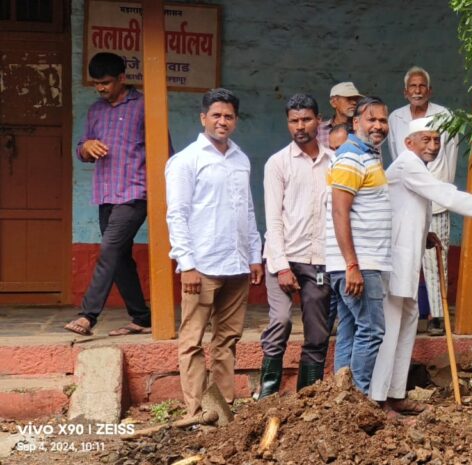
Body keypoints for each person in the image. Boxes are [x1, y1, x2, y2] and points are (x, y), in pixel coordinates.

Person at [371, 117, 472, 417]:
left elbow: (408, 205)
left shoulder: (415, 167)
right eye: (426, 140)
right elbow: (445, 194)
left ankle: (396, 394)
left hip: (408, 255)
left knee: (408, 319)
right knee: (392, 326)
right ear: (409, 143)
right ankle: (379, 399)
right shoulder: (407, 164)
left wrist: (424, 231)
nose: (433, 145)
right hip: (396, 258)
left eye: (437, 140)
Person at [166, 88, 263, 418]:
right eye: (217, 115)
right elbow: (176, 215)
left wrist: (254, 256)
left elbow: (247, 211)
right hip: (202, 266)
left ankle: (223, 410)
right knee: (192, 341)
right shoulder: (185, 161)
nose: (223, 121)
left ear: (235, 120)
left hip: (236, 266)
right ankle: (196, 411)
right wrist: (187, 264)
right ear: (203, 118)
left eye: (229, 116)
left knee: (227, 340)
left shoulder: (241, 159)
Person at [65, 52, 170, 337]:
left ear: (122, 78)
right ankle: (141, 317)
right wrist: (86, 147)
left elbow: (165, 151)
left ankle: (88, 315)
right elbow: (82, 148)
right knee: (120, 256)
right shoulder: (95, 111)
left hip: (136, 192)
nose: (101, 88)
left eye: (107, 83)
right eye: (96, 84)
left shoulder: (145, 106)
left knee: (110, 249)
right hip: (105, 193)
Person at [257, 94, 334, 398]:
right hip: (284, 258)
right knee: (281, 321)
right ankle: (266, 394)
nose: (300, 126)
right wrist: (282, 266)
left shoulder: (334, 162)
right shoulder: (278, 163)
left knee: (318, 332)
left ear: (319, 120)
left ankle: (308, 397)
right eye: (294, 120)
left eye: (306, 119)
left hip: (320, 262)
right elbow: (273, 219)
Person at [386, 66, 460, 336]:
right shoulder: (395, 117)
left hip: (437, 197)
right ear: (405, 92)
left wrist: (439, 190)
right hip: (405, 198)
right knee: (404, 254)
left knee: (435, 257)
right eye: (412, 87)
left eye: (422, 86)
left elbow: (448, 156)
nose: (417, 91)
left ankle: (437, 315)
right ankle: (402, 313)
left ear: (430, 90)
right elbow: (396, 153)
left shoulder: (445, 116)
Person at [326, 96, 392, 394]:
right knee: (372, 330)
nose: (378, 125)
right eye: (371, 119)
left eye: (382, 120)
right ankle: (359, 400)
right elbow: (340, 211)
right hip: (359, 263)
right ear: (355, 123)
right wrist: (352, 264)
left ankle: (342, 402)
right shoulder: (351, 156)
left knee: (351, 331)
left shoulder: (369, 154)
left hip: (358, 262)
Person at [317, 82, 362, 147]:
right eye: (349, 98)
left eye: (356, 99)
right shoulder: (319, 131)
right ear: (333, 103)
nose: (354, 102)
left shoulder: (363, 130)